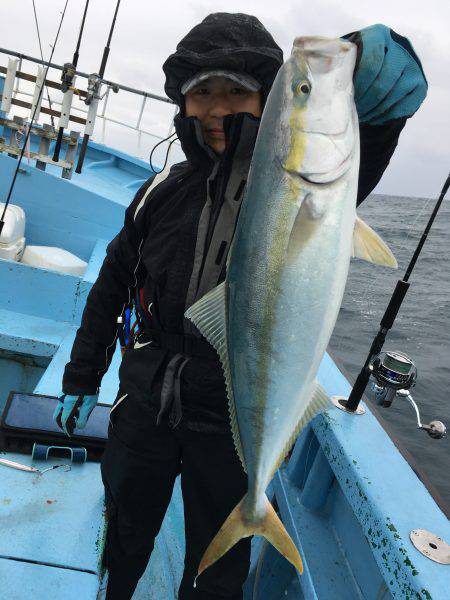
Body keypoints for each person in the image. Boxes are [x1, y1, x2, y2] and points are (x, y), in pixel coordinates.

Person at [53, 12, 427, 600]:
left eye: (237, 92)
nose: (218, 109)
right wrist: (82, 373)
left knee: (216, 576)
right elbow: (113, 283)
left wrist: (381, 116)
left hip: (229, 419)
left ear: (267, 102)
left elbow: (342, 167)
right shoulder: (162, 190)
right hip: (143, 405)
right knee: (124, 533)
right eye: (202, 94)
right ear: (182, 104)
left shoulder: (285, 183)